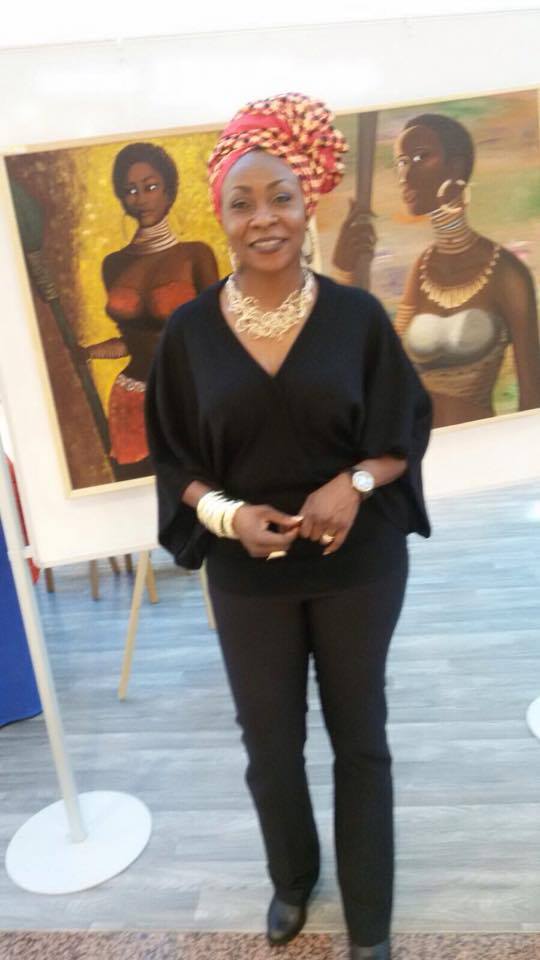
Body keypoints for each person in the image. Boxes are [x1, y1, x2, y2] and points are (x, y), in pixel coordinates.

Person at [145, 93, 432, 960]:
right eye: (243, 203)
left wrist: (355, 481)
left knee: (360, 739)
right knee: (270, 745)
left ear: (308, 206)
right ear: (222, 217)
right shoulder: (189, 334)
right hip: (248, 577)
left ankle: (370, 918)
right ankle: (293, 878)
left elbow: (403, 431)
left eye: (280, 197)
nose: (263, 218)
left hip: (357, 566)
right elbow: (174, 463)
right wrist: (229, 515)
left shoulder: (356, 318)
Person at [333, 113, 540, 428]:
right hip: (413, 447)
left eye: (420, 157)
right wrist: (350, 276)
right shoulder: (422, 269)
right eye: (402, 162)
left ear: (456, 166)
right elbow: (379, 371)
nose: (405, 174)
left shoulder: (507, 274)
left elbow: (533, 400)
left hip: (481, 449)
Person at [85, 142, 219, 480]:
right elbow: (131, 341)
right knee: (134, 492)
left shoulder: (196, 256)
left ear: (169, 191)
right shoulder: (113, 265)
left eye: (150, 186)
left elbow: (216, 336)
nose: (141, 198)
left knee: (201, 490)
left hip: (186, 397)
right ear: (121, 198)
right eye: (130, 190)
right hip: (129, 400)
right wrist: (86, 353)